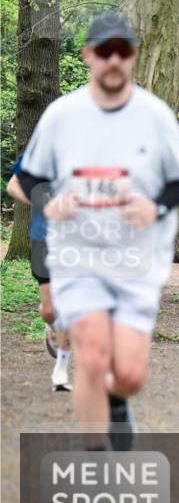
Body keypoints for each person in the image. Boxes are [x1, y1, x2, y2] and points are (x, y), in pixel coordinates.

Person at [17, 11, 179, 450]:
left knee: (130, 374)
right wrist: (49, 201)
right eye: (103, 52)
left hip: (137, 260)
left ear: (133, 57)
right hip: (77, 256)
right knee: (92, 357)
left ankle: (118, 404)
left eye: (122, 52)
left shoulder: (154, 116)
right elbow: (26, 178)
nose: (113, 61)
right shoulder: (63, 115)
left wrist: (153, 207)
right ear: (88, 56)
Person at [6, 156, 72, 392]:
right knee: (50, 310)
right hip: (43, 237)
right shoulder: (41, 148)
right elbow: (13, 185)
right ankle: (51, 325)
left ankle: (61, 370)